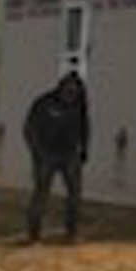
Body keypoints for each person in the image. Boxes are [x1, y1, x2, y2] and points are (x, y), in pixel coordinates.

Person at [23, 71, 89, 243]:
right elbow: (29, 129)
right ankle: (34, 234)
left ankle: (72, 232)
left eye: (75, 91)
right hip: (46, 154)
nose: (71, 94)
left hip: (69, 155)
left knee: (75, 194)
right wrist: (37, 152)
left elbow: (84, 127)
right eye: (69, 90)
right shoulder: (44, 103)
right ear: (61, 87)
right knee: (41, 193)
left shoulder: (79, 104)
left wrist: (83, 150)